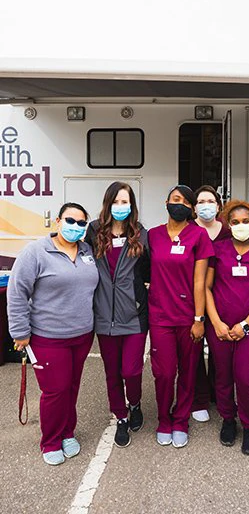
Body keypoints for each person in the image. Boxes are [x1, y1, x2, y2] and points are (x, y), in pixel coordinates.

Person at [7, 203, 99, 465]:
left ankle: (68, 432)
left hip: (82, 336)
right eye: (71, 220)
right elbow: (17, 293)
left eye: (82, 223)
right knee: (55, 390)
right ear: (58, 221)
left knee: (71, 387)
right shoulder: (35, 252)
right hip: (48, 337)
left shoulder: (86, 251)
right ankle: (50, 440)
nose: (76, 227)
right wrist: (20, 332)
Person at [205, 200, 249, 455]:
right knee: (223, 377)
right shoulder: (217, 250)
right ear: (228, 223)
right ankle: (227, 419)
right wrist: (215, 322)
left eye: (246, 221)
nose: (241, 225)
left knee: (246, 379)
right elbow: (206, 288)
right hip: (220, 327)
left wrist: (246, 324)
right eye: (235, 222)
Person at [148, 185, 214, 448]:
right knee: (164, 373)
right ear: (166, 202)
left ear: (192, 209)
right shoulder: (152, 236)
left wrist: (199, 319)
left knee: (187, 372)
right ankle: (164, 419)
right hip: (160, 316)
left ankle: (180, 420)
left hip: (188, 317)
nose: (180, 205)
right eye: (176, 200)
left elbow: (200, 282)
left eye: (186, 202)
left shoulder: (199, 236)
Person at [85, 182, 149, 448]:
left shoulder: (141, 234)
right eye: (116, 202)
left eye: (126, 202)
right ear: (107, 203)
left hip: (133, 315)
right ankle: (121, 417)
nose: (121, 207)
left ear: (132, 205)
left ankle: (135, 403)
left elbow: (149, 271)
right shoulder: (94, 231)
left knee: (131, 370)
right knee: (112, 372)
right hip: (104, 316)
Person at [191, 185, 230, 423]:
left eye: (210, 200)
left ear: (218, 205)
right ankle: (199, 397)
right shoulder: (188, 231)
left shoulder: (228, 231)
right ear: (194, 207)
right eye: (201, 201)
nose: (206, 205)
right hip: (194, 298)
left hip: (223, 298)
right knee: (195, 351)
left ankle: (218, 392)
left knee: (220, 349)